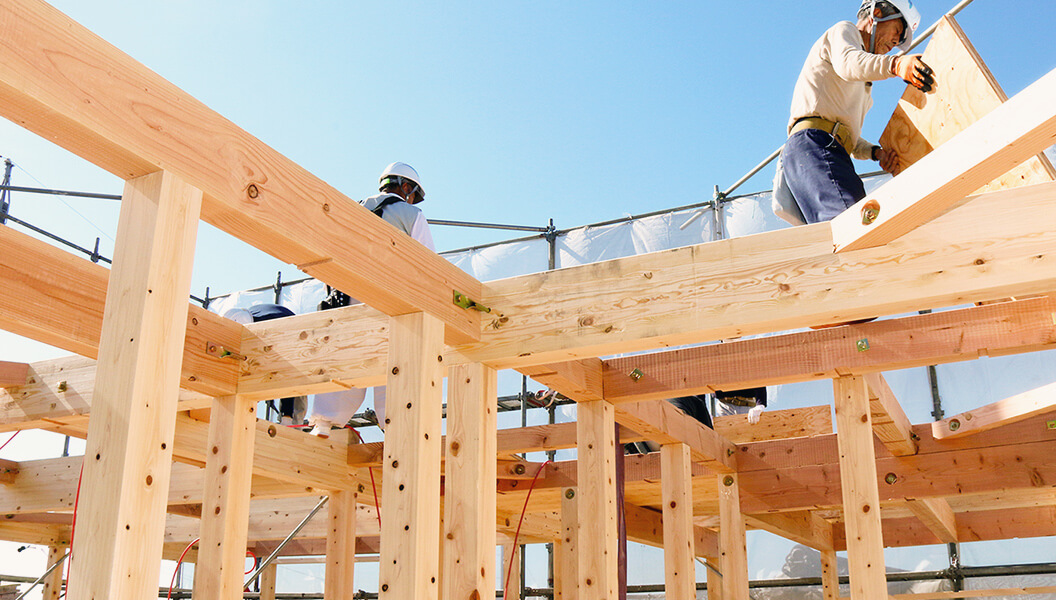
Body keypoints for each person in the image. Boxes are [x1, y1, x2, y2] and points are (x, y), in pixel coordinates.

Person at [776, 0, 934, 225]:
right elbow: (849, 63)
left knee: (846, 230)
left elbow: (845, 135)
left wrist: (876, 153)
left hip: (824, 150)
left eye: (900, 40)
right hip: (814, 145)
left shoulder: (863, 86)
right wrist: (897, 65)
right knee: (856, 225)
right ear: (877, 14)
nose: (896, 42)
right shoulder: (845, 31)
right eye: (897, 31)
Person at [308, 162, 436, 437]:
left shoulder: (350, 210)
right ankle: (397, 427)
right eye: (412, 193)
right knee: (396, 364)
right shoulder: (411, 214)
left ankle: (323, 424)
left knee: (345, 361)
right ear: (406, 187)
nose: (412, 199)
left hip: (348, 300)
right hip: (391, 302)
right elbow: (430, 269)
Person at [222, 304, 307, 425]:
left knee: (293, 377)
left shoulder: (268, 329)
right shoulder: (246, 319)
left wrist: (286, 415)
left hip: (298, 336)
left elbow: (286, 368)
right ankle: (288, 420)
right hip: (285, 328)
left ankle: (291, 422)